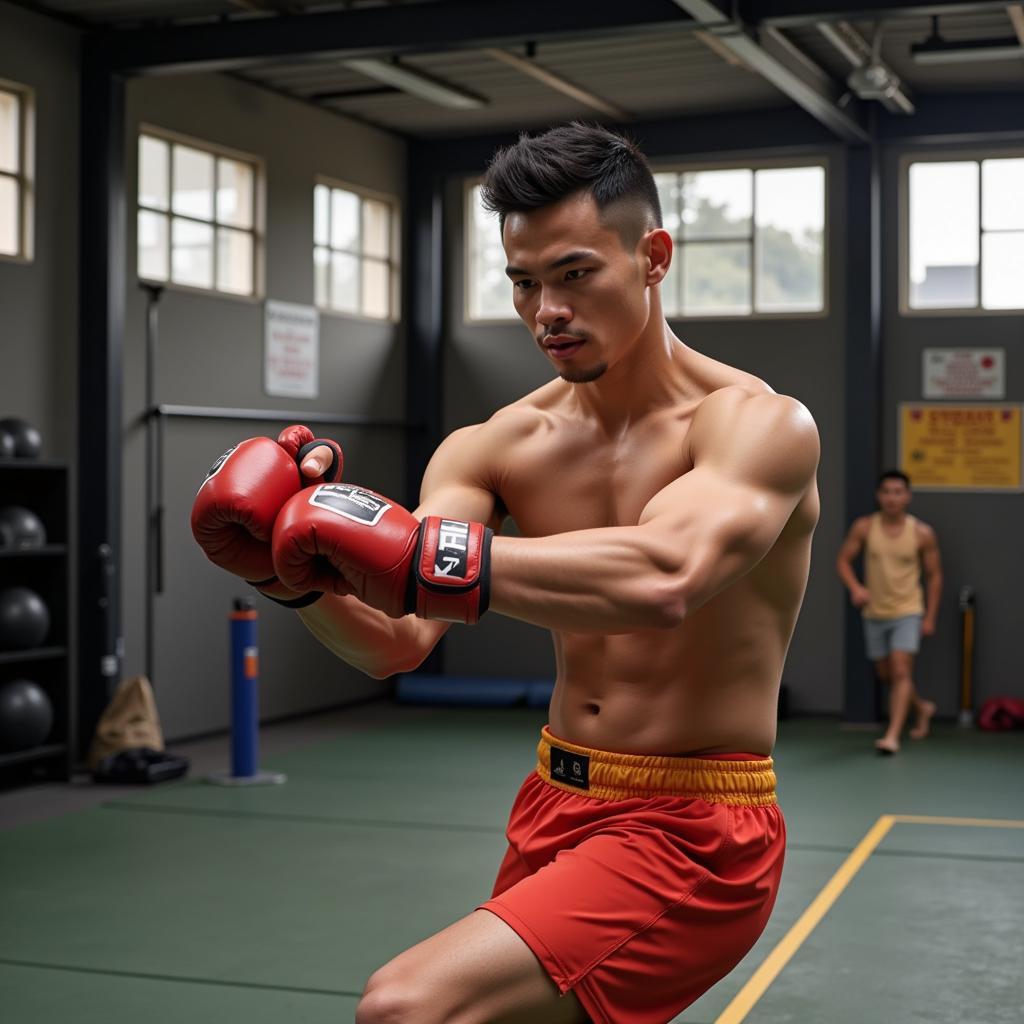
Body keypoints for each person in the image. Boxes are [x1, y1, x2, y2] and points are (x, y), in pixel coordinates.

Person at [192, 122, 820, 1024]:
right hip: (550, 802)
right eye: (523, 283)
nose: (545, 312)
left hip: (692, 827)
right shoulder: (495, 444)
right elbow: (398, 640)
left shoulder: (755, 425)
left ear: (653, 257)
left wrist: (418, 556)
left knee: (408, 1008)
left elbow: (664, 576)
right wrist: (293, 579)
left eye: (574, 275)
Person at [836, 469, 943, 755]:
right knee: (887, 674)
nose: (892, 498)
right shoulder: (864, 527)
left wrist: (930, 617)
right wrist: (856, 588)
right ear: (878, 496)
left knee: (899, 670)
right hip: (875, 612)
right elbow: (843, 561)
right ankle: (922, 709)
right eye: (887, 492)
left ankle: (892, 736)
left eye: (898, 492)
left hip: (908, 610)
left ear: (907, 496)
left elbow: (934, 577)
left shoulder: (921, 533)